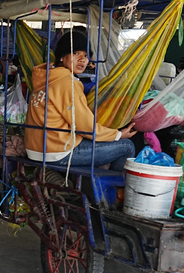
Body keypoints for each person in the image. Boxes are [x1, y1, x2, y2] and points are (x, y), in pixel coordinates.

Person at [24, 28, 136, 171]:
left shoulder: (46, 77)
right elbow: (85, 127)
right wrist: (118, 134)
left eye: (85, 55)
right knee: (127, 146)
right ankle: (114, 192)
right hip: (57, 152)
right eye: (76, 53)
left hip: (34, 148)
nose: (82, 59)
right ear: (62, 57)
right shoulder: (67, 83)